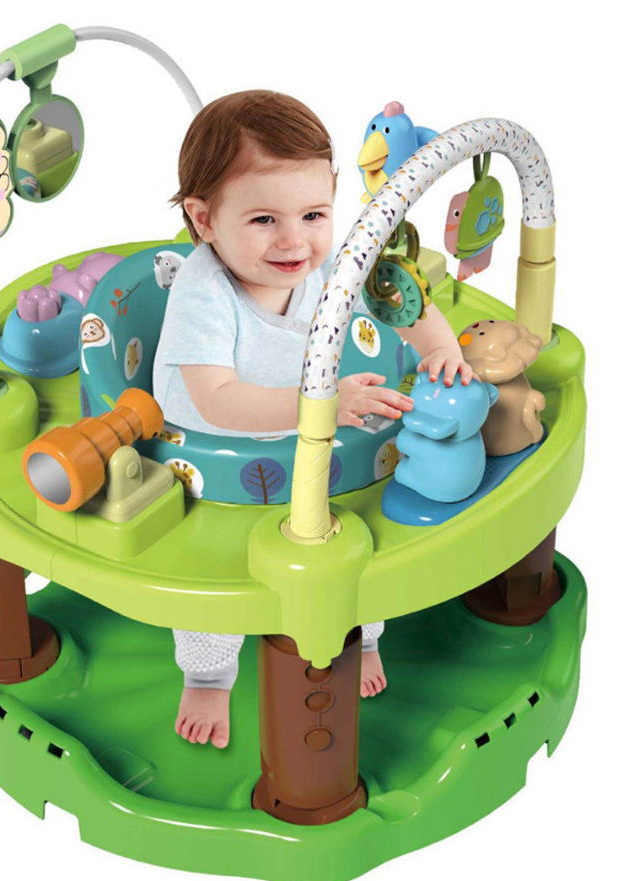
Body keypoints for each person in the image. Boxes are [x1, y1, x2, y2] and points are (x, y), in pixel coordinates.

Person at [153, 90, 473, 749]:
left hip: (308, 427)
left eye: (313, 214)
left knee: (359, 550)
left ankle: (362, 635)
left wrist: (441, 350)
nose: (294, 239)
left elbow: (397, 298)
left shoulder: (323, 259)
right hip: (212, 457)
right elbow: (217, 399)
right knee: (213, 578)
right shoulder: (203, 292)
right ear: (204, 219)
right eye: (263, 219)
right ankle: (208, 675)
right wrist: (321, 407)